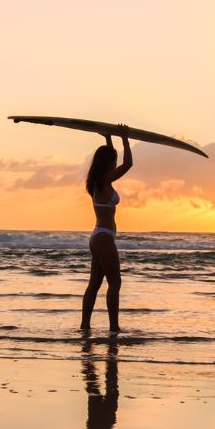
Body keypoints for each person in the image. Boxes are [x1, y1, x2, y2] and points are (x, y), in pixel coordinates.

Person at [81, 132, 132, 334]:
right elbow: (128, 164)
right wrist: (125, 138)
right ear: (107, 163)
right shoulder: (103, 181)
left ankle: (85, 326)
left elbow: (113, 159)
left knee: (94, 284)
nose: (115, 162)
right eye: (112, 160)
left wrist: (109, 138)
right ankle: (114, 328)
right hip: (103, 238)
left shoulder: (97, 181)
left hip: (97, 237)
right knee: (115, 282)